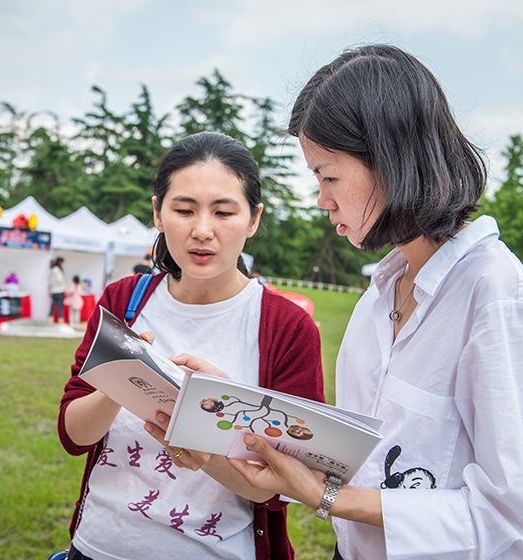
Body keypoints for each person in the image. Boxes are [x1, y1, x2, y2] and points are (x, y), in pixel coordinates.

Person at [172, 45, 523, 560]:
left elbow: (509, 522)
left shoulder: (497, 298)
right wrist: (240, 414)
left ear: (392, 162)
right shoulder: (381, 292)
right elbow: (360, 455)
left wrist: (330, 498)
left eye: (328, 175)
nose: (321, 199)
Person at [57, 131, 324, 560]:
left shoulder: (286, 327)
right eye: (183, 210)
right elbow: (74, 435)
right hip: (96, 547)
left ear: (253, 220)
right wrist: (121, 380)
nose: (202, 231)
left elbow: (288, 489)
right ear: (158, 215)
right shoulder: (123, 300)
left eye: (223, 212)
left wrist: (205, 440)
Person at [48, 257, 67, 323]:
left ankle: (50, 321)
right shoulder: (58, 270)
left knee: (53, 306)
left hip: (53, 291)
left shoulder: (51, 270)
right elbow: (59, 279)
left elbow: (49, 283)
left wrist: (48, 291)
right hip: (59, 290)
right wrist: (66, 287)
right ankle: (60, 321)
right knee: (60, 307)